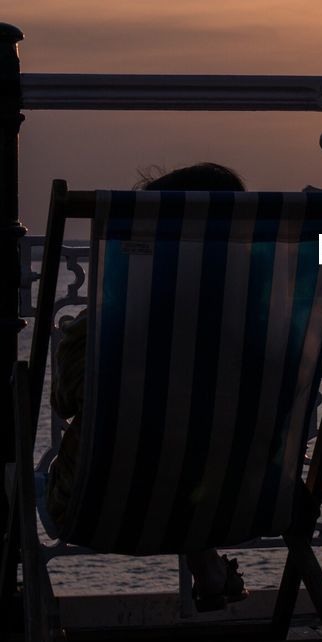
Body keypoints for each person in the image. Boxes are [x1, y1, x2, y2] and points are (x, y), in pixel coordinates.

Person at [47, 162, 249, 611]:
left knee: (156, 437)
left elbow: (65, 401)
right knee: (186, 439)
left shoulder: (113, 326)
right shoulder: (268, 323)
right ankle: (209, 569)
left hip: (102, 503)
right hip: (247, 498)